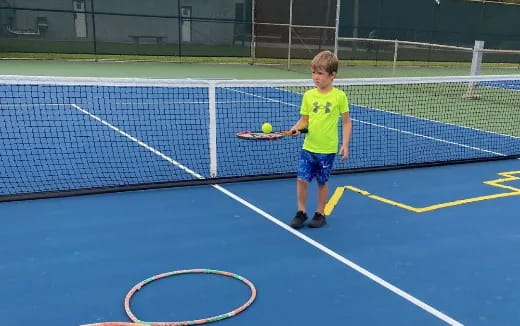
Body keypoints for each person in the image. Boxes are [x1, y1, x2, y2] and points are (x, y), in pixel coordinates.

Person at [288, 50, 352, 229]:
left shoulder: (339, 96)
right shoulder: (308, 96)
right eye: (313, 72)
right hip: (308, 147)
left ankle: (320, 213)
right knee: (301, 179)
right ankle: (301, 212)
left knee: (322, 182)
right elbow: (304, 120)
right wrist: (295, 129)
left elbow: (346, 122)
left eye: (320, 73)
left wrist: (345, 144)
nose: (315, 77)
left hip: (328, 149)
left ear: (332, 75)